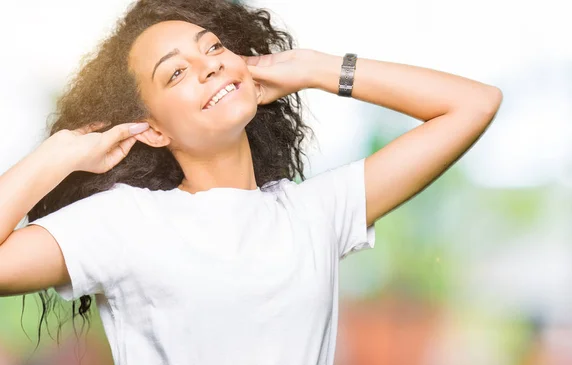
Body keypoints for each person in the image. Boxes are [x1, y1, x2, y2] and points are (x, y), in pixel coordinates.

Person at [0, 0, 503, 364]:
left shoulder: (316, 212)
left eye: (213, 47)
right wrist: (57, 156)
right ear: (153, 128)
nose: (210, 66)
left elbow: (474, 104)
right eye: (175, 73)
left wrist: (316, 68)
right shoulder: (123, 222)